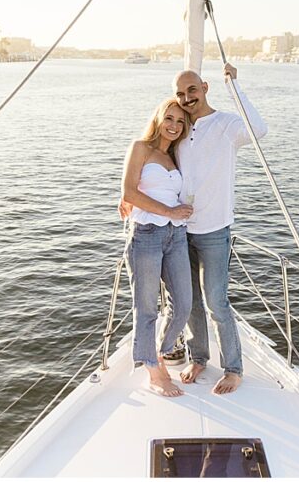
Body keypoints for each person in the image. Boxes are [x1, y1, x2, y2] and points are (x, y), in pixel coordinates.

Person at [172, 62, 267, 395]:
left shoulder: (226, 124)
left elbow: (259, 130)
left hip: (214, 231)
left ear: (205, 87)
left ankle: (233, 368)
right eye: (180, 94)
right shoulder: (180, 130)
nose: (186, 98)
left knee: (217, 301)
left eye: (192, 90)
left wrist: (235, 86)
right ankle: (199, 358)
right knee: (189, 302)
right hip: (181, 231)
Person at [120, 98, 195, 397]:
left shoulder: (177, 157)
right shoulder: (141, 148)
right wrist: (169, 211)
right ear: (159, 118)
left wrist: (180, 211)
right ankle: (153, 370)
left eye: (180, 122)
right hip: (146, 235)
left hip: (175, 236)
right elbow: (128, 191)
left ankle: (160, 352)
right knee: (147, 308)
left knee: (184, 304)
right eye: (170, 118)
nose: (174, 126)